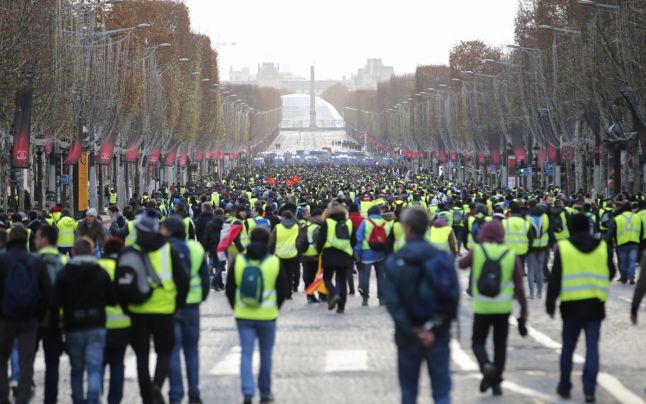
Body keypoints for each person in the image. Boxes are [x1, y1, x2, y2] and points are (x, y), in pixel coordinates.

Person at [383, 207, 459, 404]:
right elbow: (453, 298)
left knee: (409, 394)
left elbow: (393, 304)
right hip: (438, 335)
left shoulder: (395, 261)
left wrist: (412, 330)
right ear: (427, 228)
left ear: (407, 228)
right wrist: (432, 328)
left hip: (407, 337)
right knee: (442, 394)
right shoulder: (442, 258)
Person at [117, 210, 189, 404]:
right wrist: (178, 305)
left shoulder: (128, 252)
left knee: (141, 356)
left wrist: (126, 308)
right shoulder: (168, 249)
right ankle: (157, 385)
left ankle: (146, 397)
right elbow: (183, 281)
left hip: (138, 310)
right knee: (164, 352)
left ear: (138, 230)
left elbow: (120, 284)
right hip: (165, 310)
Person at [547, 214, 615, 403]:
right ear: (589, 227)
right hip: (595, 304)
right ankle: (589, 390)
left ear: (570, 228)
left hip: (570, 305)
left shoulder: (564, 247)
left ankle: (564, 385)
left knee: (568, 347)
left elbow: (555, 278)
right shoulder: (602, 247)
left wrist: (550, 303)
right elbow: (611, 272)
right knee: (592, 348)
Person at [458, 220, 528, 396]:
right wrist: (524, 309)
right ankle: (496, 383)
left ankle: (485, 366)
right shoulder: (510, 254)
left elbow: (461, 264)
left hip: (482, 306)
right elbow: (519, 286)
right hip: (503, 307)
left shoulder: (478, 251)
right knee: (500, 345)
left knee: (477, 342)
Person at [226, 227, 288, 404]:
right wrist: (275, 307)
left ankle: (247, 391)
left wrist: (236, 308)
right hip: (267, 315)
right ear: (268, 241)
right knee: (266, 354)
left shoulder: (239, 261)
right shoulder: (273, 263)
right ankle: (265, 392)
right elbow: (283, 290)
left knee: (246, 353)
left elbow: (230, 290)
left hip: (243, 314)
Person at [53, 237, 116, 404]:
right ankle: (94, 398)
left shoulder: (64, 273)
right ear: (91, 252)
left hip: (73, 326)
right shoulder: (101, 272)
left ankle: (78, 400)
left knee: (77, 369)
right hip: (96, 324)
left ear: (73, 252)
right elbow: (112, 299)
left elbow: (55, 302)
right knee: (95, 368)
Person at [161, 217, 210, 404]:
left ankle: (176, 394)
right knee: (192, 351)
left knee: (173, 351)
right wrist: (201, 297)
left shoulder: (162, 250)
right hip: (192, 305)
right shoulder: (196, 248)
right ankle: (194, 393)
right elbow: (204, 279)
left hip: (170, 306)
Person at [0, 228, 51, 404]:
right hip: (29, 318)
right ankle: (22, 398)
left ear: (10, 239)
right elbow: (47, 293)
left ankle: (3, 396)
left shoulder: (2, 259)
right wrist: (38, 314)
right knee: (26, 360)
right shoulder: (36, 261)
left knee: (1, 358)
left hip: (5, 318)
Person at [34, 225, 68, 404]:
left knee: (26, 360)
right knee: (52, 364)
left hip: (33, 318)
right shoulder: (63, 261)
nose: (34, 240)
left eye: (37, 237)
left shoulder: (33, 260)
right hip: (56, 319)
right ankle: (50, 399)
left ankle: (24, 389)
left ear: (45, 239)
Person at [97, 238, 130, 404]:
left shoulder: (97, 267)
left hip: (99, 323)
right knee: (118, 365)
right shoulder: (125, 268)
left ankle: (97, 397)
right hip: (121, 324)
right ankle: (115, 400)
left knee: (99, 365)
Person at [316, 203, 354, 314]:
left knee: (327, 277)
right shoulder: (349, 223)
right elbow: (354, 241)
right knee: (342, 281)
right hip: (345, 254)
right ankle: (341, 307)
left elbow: (321, 239)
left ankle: (333, 294)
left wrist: (319, 252)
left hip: (329, 253)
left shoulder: (327, 223)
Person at [354, 205, 393, 306]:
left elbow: (359, 239)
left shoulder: (365, 223)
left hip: (367, 253)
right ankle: (381, 298)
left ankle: (365, 298)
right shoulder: (385, 223)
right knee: (381, 277)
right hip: (381, 253)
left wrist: (357, 254)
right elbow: (389, 240)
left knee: (365, 276)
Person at [269, 210, 300, 298]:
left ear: (282, 217)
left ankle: (281, 291)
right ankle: (289, 293)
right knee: (290, 274)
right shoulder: (296, 227)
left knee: (281, 274)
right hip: (292, 253)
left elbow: (272, 241)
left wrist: (270, 253)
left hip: (280, 254)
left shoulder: (277, 227)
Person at [612, 201, 642, 284]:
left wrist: (612, 241)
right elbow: (641, 230)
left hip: (621, 244)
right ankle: (631, 278)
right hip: (634, 243)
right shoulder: (637, 217)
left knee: (623, 262)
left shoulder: (617, 219)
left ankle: (624, 278)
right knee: (632, 261)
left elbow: (612, 231)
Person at [301, 208, 324, 303]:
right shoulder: (317, 227)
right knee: (319, 276)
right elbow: (318, 243)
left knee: (308, 276)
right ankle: (322, 295)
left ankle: (309, 295)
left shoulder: (305, 225)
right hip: (315, 255)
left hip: (305, 255)